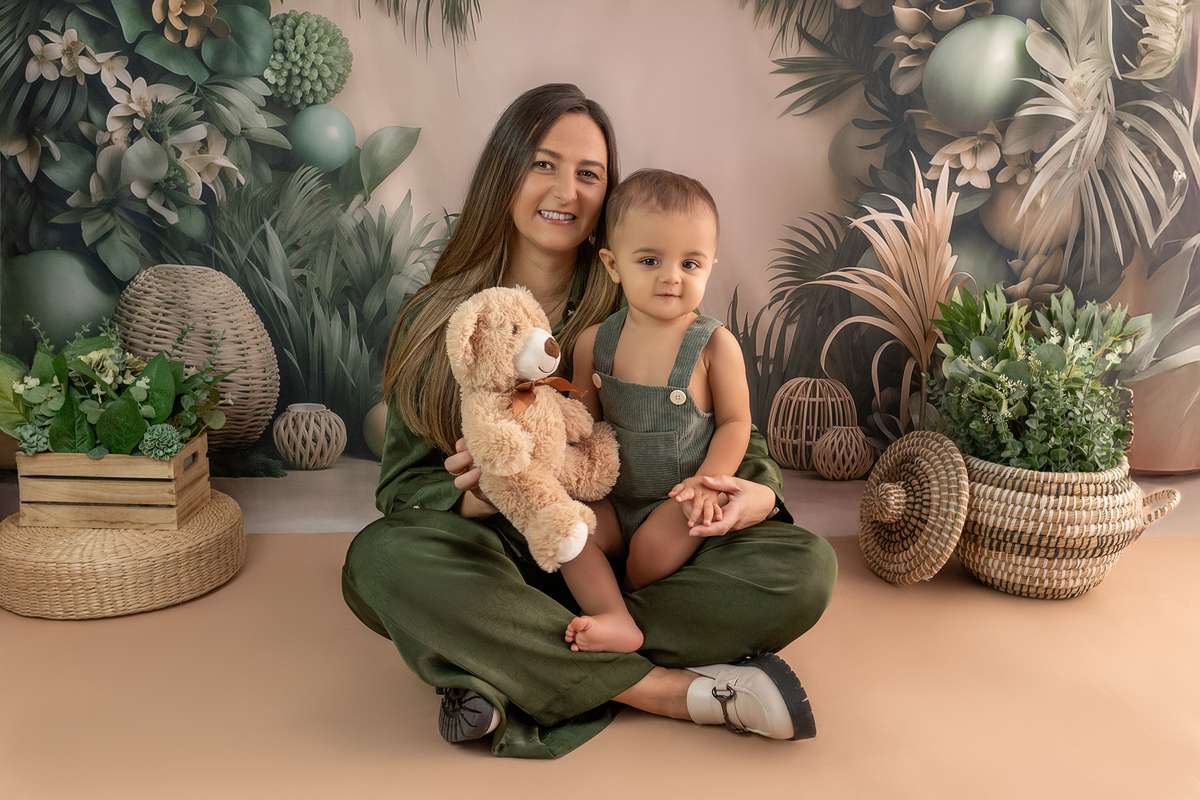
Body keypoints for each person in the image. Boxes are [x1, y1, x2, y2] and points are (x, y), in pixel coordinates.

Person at [341, 83, 839, 758]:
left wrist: (759, 495)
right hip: (509, 560)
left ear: (608, 199)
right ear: (504, 171)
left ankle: (499, 659)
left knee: (805, 569)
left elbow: (715, 429)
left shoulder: (638, 299)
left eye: (589, 174)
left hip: (634, 556)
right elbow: (400, 494)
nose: (565, 190)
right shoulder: (445, 319)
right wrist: (474, 499)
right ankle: (668, 690)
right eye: (543, 164)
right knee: (379, 563)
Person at [560, 169, 751, 655]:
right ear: (612, 264)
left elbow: (735, 423)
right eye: (650, 260)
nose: (672, 276)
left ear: (710, 265)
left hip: (678, 497)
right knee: (564, 531)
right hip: (611, 495)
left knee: (648, 558)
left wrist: (707, 484)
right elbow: (581, 423)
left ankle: (633, 602)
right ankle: (615, 617)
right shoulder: (594, 342)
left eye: (691, 263)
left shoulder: (713, 345)